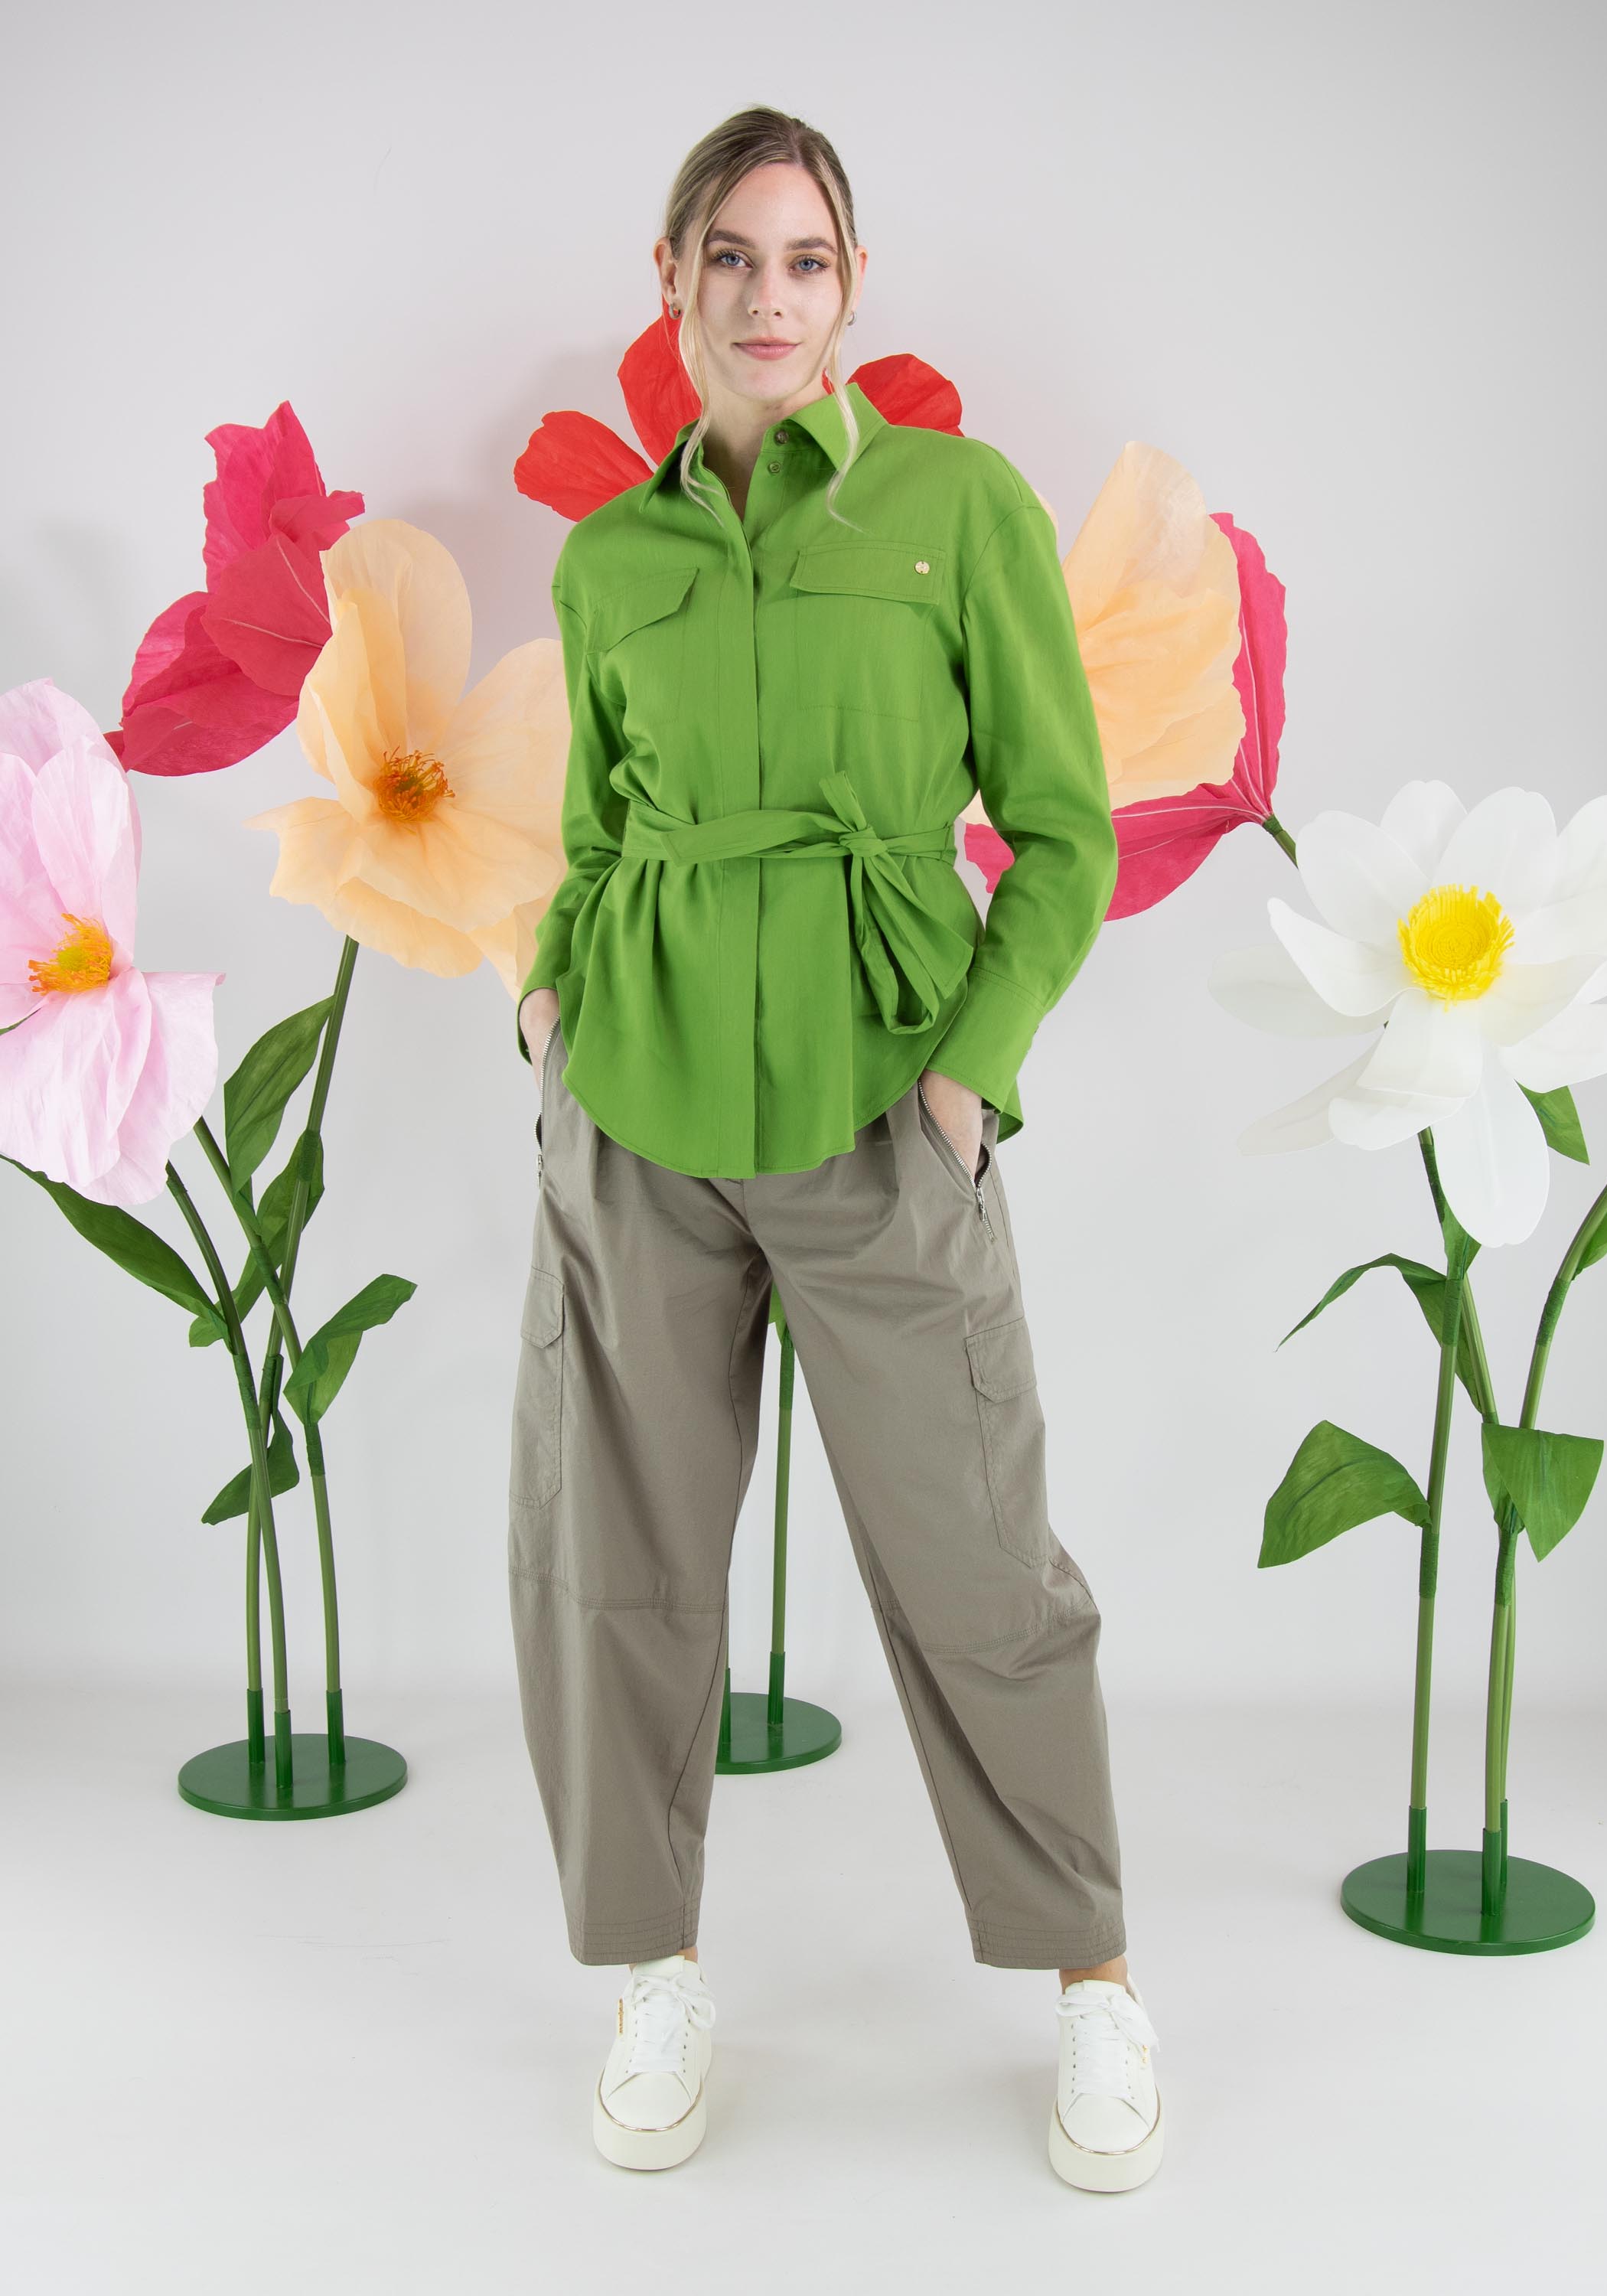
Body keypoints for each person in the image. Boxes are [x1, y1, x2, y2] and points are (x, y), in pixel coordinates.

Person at [508, 104, 1163, 2194]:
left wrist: (970, 1075)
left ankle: (1094, 1981)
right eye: (730, 257)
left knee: (980, 1563)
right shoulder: (608, 561)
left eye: (804, 261)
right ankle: (657, 1978)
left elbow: (1061, 831)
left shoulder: (956, 508)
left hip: (886, 1102)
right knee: (612, 1570)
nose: (767, 297)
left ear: (852, 286)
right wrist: (548, 999)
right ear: (673, 280)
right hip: (637, 1112)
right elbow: (595, 830)